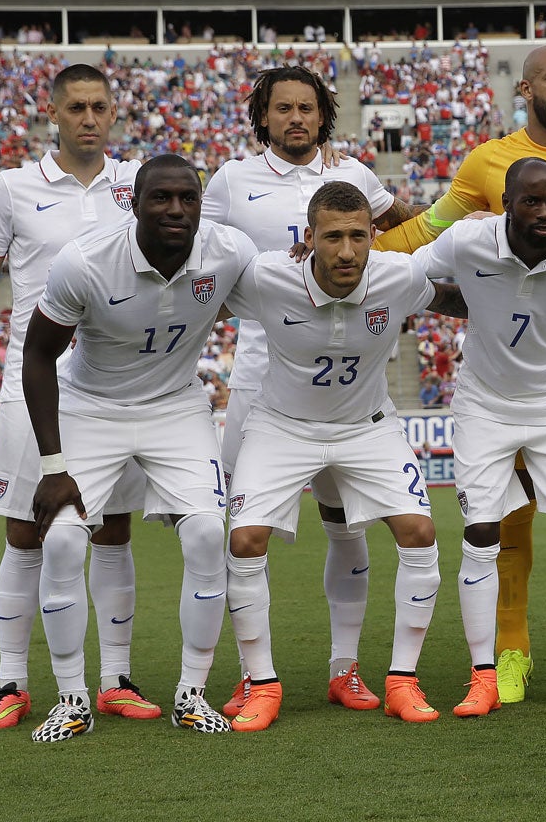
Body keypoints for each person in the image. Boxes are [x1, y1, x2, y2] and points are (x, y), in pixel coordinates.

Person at [376, 45, 546, 701]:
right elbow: (430, 232)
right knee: (503, 513)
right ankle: (511, 651)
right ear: (525, 88)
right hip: (503, 349)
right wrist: (360, 249)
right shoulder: (485, 162)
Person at [0, 64, 159, 731]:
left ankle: (116, 676)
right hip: (31, 383)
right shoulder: (13, 187)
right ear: (52, 115)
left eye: (99, 108)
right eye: (76, 108)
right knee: (25, 528)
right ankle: (12, 681)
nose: (89, 119)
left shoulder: (138, 183)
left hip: (116, 384)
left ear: (114, 113)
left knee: (113, 527)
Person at [202, 65, 420, 716]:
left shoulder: (351, 176)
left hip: (346, 373)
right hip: (262, 372)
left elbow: (403, 229)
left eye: (307, 108)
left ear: (323, 114)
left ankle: (343, 669)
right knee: (244, 531)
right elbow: (200, 255)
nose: (296, 117)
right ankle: (252, 673)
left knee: (346, 528)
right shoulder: (232, 180)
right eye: (283, 108)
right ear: (262, 117)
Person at [21, 155, 256, 742]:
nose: (176, 209)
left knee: (206, 532)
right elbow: (37, 355)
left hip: (175, 405)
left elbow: (283, 287)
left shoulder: (228, 250)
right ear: (133, 203)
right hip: (90, 407)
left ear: (202, 205)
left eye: (188, 199)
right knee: (62, 543)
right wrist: (53, 466)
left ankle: (191, 694)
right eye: (161, 198)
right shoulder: (85, 261)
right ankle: (72, 697)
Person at [221, 182, 468, 730]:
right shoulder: (267, 277)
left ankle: (396, 679)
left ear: (374, 237)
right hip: (282, 425)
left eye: (359, 236)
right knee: (244, 540)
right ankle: (260, 682)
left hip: (366, 427)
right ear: (307, 240)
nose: (347, 250)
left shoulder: (397, 277)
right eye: (332, 237)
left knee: (420, 534)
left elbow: (455, 299)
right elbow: (202, 293)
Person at [413, 157, 546, 717]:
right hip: (484, 405)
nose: (544, 211)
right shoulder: (467, 239)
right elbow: (407, 275)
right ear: (505, 203)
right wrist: (458, 303)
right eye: (531, 200)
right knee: (482, 534)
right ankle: (483, 674)